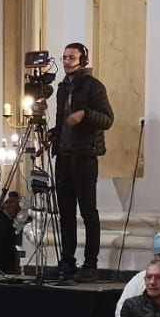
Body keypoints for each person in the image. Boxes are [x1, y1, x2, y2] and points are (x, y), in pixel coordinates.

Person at [50, 42, 114, 283]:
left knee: (88, 212)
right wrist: (53, 136)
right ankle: (67, 262)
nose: (66, 61)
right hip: (64, 157)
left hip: (85, 155)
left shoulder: (93, 86)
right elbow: (62, 120)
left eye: (71, 57)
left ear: (82, 60)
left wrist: (85, 114)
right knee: (65, 213)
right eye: (64, 57)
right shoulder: (61, 88)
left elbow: (108, 119)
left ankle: (90, 264)